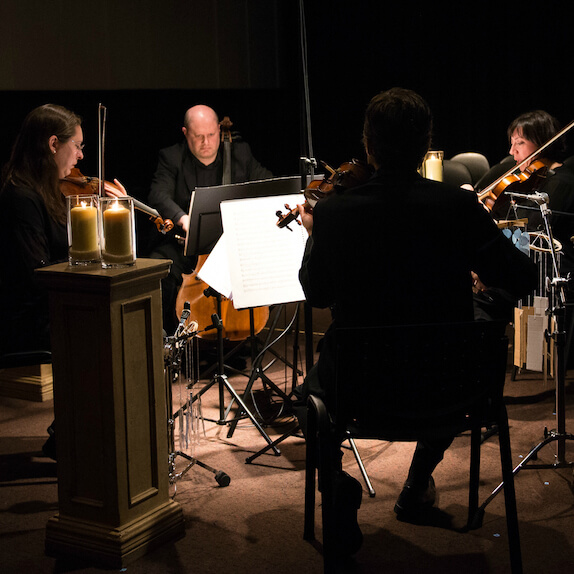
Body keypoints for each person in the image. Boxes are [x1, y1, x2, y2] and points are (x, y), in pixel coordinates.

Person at [293, 88, 538, 555]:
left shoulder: (335, 214)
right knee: (461, 350)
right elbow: (522, 277)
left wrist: (313, 235)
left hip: (359, 390)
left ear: (369, 146)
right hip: (451, 389)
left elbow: (318, 292)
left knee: (308, 402)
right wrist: (480, 287)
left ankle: (336, 488)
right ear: (427, 145)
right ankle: (418, 480)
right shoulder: (459, 207)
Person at [0, 103, 127, 458]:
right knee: (109, 332)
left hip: (50, 304)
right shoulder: (20, 195)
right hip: (26, 318)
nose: (82, 155)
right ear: (54, 143)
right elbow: (35, 274)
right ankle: (78, 434)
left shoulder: (48, 188)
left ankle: (83, 430)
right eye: (78, 146)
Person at [147, 104, 273, 334]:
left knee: (267, 266)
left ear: (219, 130)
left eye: (211, 135)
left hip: (232, 248)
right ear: (186, 134)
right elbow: (158, 195)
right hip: (187, 248)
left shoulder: (240, 153)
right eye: (198, 136)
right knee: (160, 269)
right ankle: (172, 343)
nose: (206, 142)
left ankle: (241, 337)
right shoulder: (172, 157)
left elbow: (267, 184)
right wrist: (183, 218)